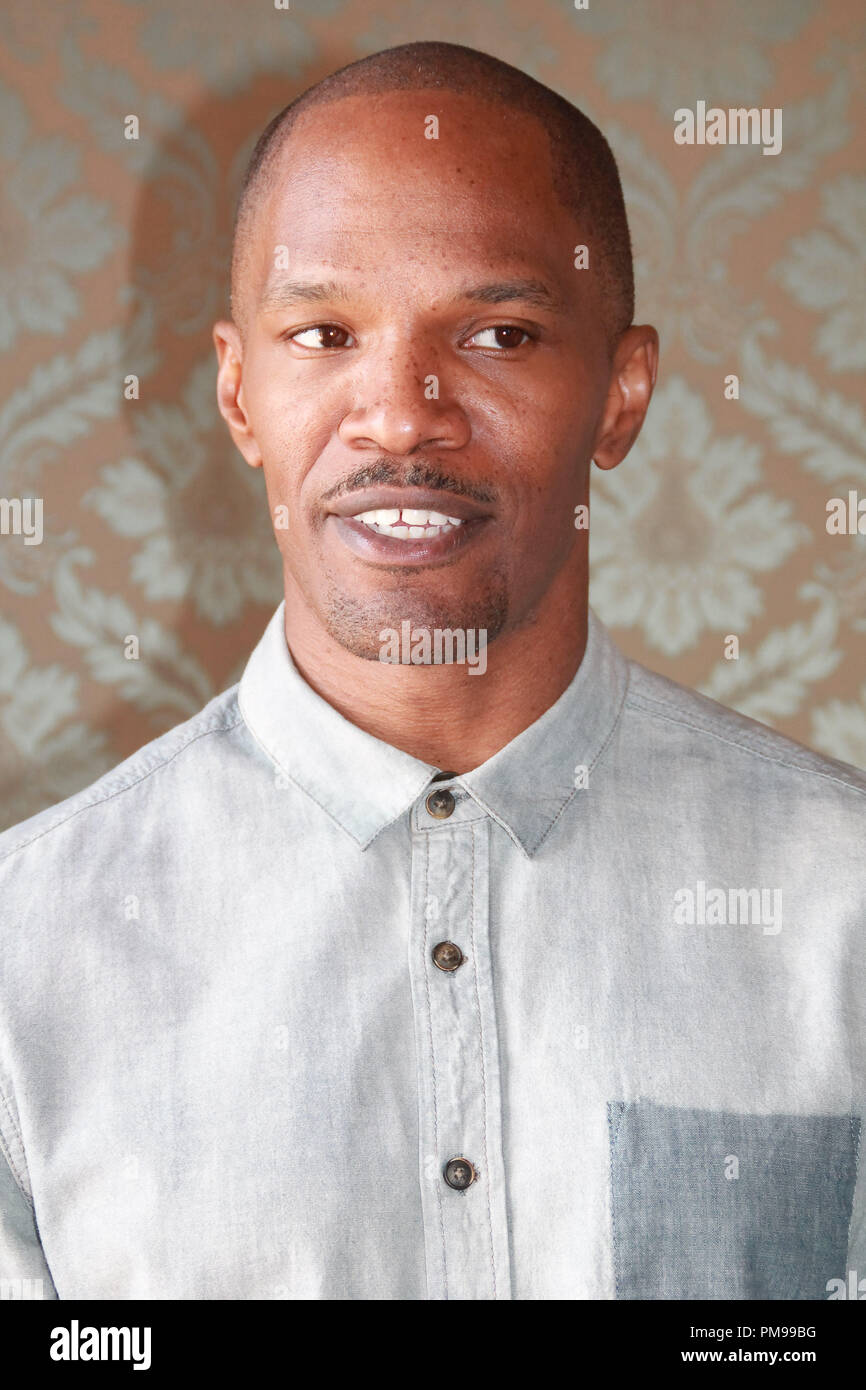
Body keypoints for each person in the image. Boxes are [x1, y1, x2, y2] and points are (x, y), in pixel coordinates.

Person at [0, 41, 863, 1302]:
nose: (400, 413)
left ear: (620, 397)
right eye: (324, 331)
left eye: (498, 333)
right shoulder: (26, 954)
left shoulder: (840, 905)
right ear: (239, 395)